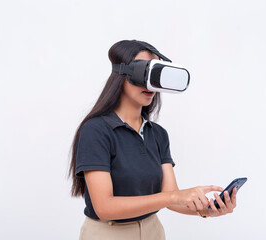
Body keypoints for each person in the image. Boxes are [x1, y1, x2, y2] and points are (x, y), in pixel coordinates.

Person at [68, 40, 238, 240]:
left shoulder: (158, 134)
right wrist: (174, 196)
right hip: (108, 234)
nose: (150, 83)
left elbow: (172, 199)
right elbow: (104, 207)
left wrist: (208, 210)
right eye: (143, 71)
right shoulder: (96, 131)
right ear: (120, 75)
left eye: (155, 73)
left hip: (153, 231)